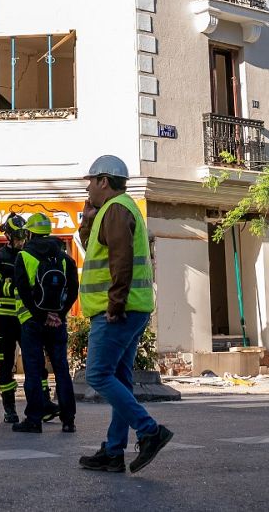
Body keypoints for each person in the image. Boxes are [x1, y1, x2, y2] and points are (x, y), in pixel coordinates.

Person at [76, 155, 174, 475]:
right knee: (119, 378)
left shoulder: (117, 209)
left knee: (98, 375)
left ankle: (149, 431)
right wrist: (88, 219)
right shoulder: (113, 210)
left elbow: (121, 259)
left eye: (90, 181)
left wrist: (115, 304)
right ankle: (114, 452)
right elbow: (97, 247)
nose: (87, 187)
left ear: (104, 181)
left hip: (118, 310)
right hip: (132, 307)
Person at [12, 211, 78, 434]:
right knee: (61, 368)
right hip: (57, 322)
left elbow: (23, 291)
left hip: (32, 322)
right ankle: (68, 420)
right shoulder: (64, 257)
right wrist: (59, 314)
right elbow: (73, 290)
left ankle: (34, 420)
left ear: (29, 233)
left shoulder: (24, 256)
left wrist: (41, 316)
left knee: (33, 370)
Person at [0, 213, 26, 424]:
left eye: (23, 235)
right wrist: (19, 288)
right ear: (8, 236)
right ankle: (9, 408)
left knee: (33, 362)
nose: (21, 240)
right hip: (4, 321)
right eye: (18, 236)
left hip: (25, 319)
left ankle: (42, 404)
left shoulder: (28, 256)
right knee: (5, 364)